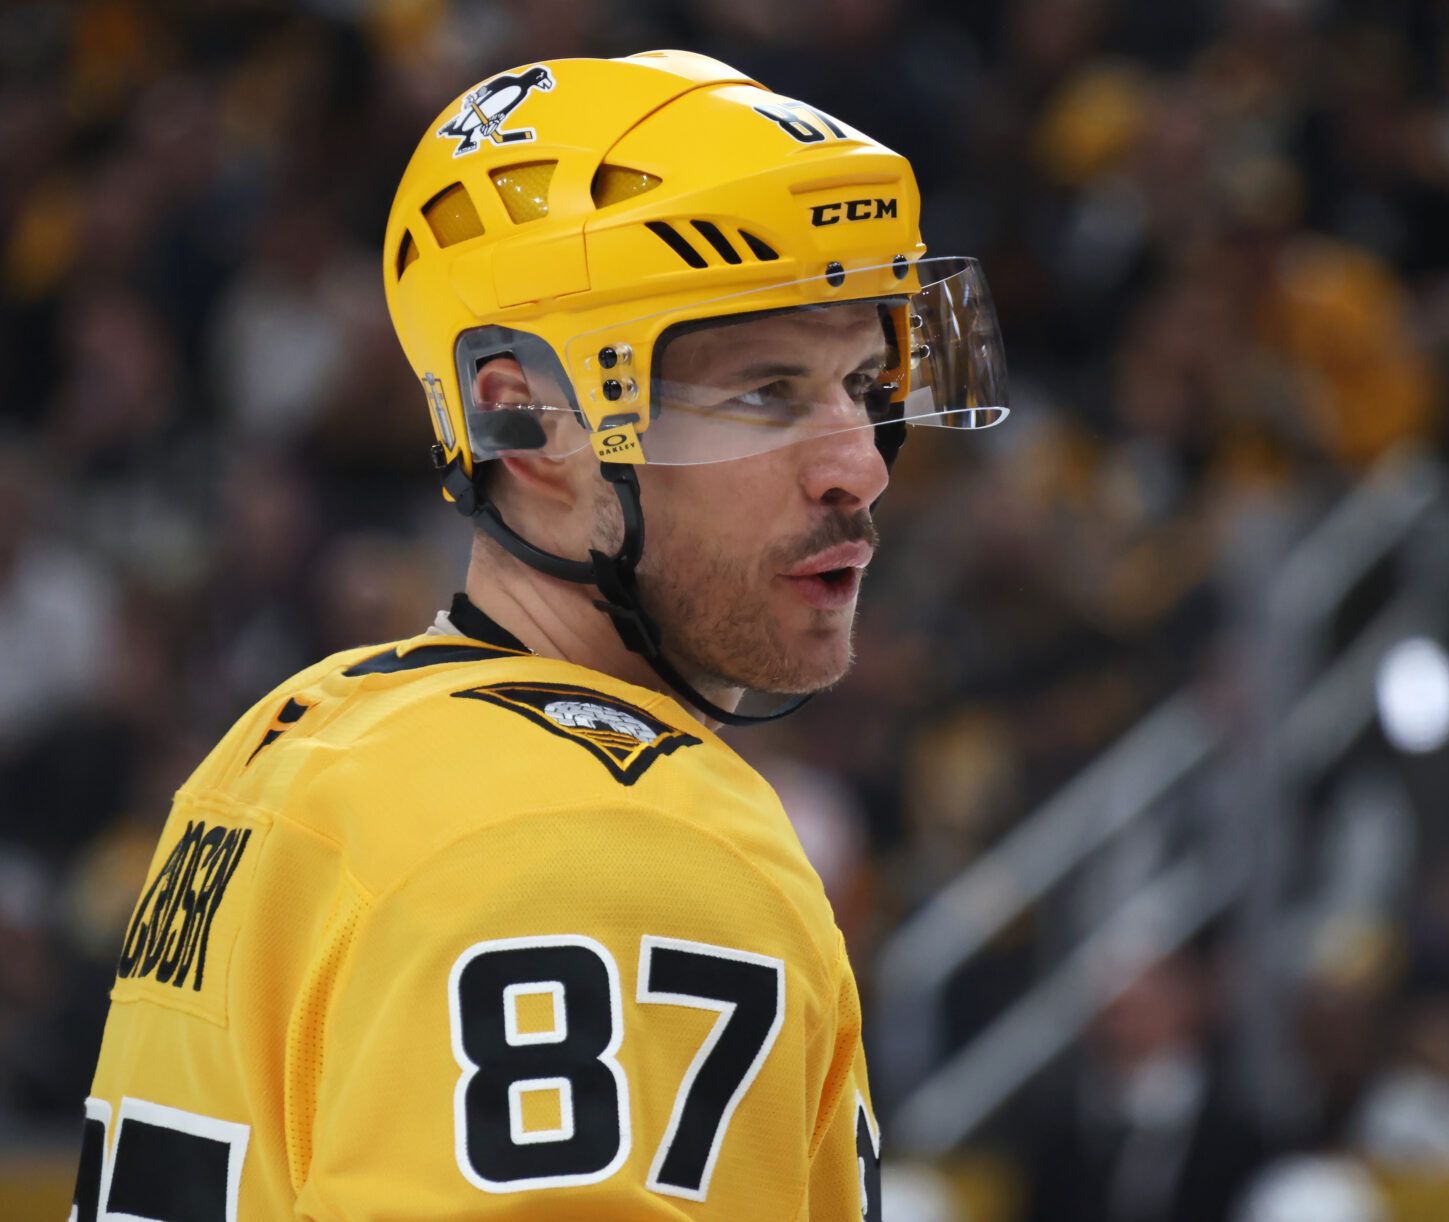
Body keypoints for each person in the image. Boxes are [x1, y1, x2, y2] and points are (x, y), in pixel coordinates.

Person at [72, 50, 1007, 1219]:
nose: (858, 463)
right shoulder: (613, 840)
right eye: (765, 391)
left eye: (867, 382)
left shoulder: (295, 735)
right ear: (523, 418)